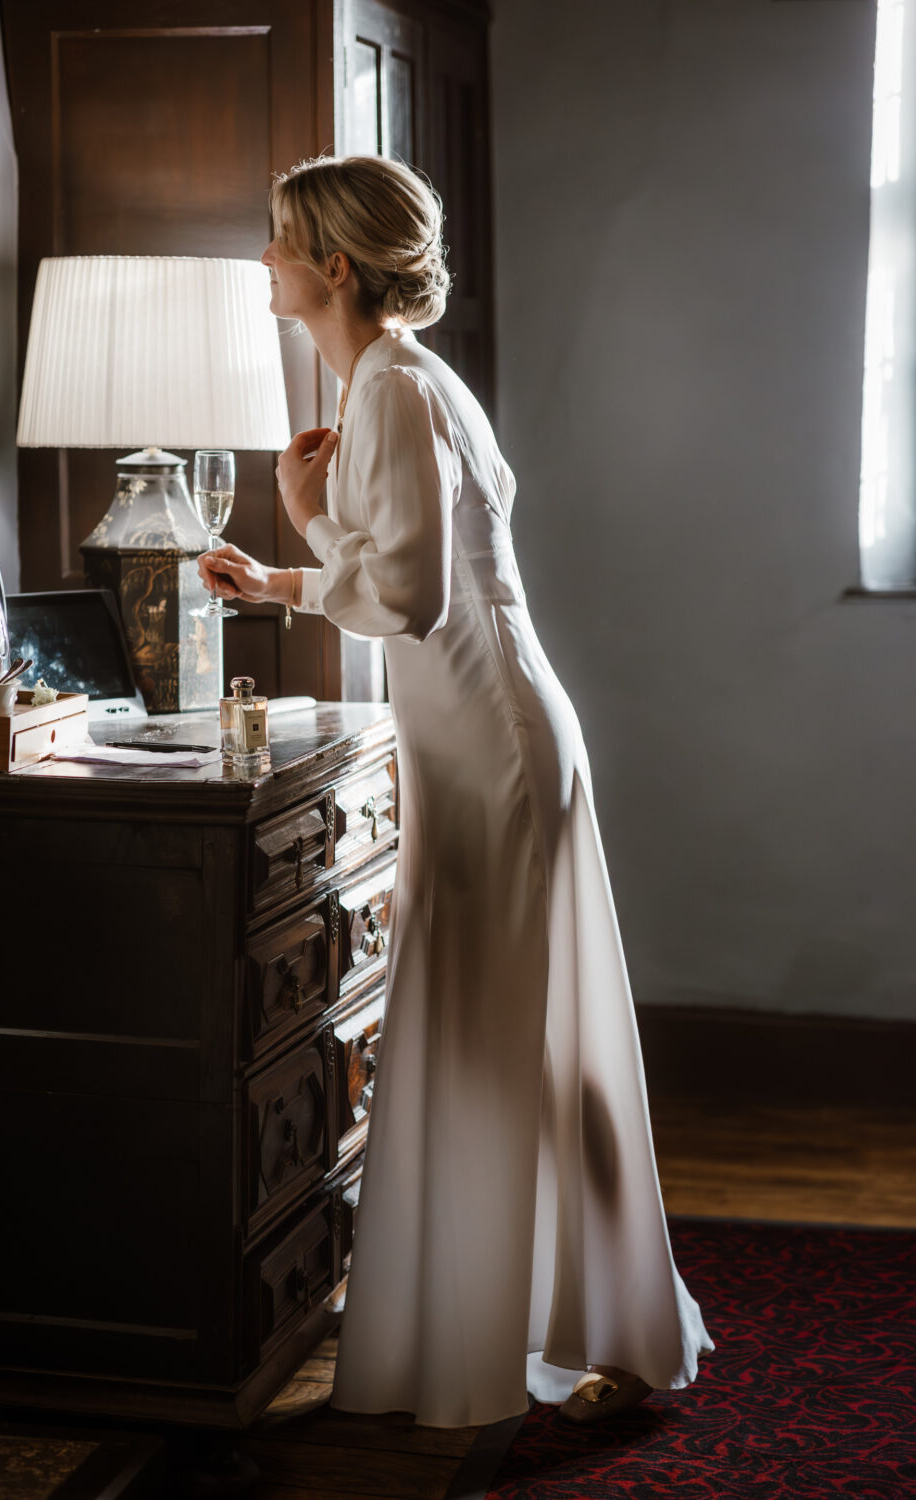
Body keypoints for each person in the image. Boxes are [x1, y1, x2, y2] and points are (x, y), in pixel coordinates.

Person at [197, 154, 715, 1430]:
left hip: (487, 735)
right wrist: (284, 572)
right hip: (495, 723)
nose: (262, 258)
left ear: (332, 266)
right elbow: (424, 577)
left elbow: (408, 598)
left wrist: (302, 531)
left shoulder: (387, 387)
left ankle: (516, 1332)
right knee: (523, 1036)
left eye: (277, 240)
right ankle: (579, 1316)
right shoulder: (412, 380)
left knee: (499, 1040)